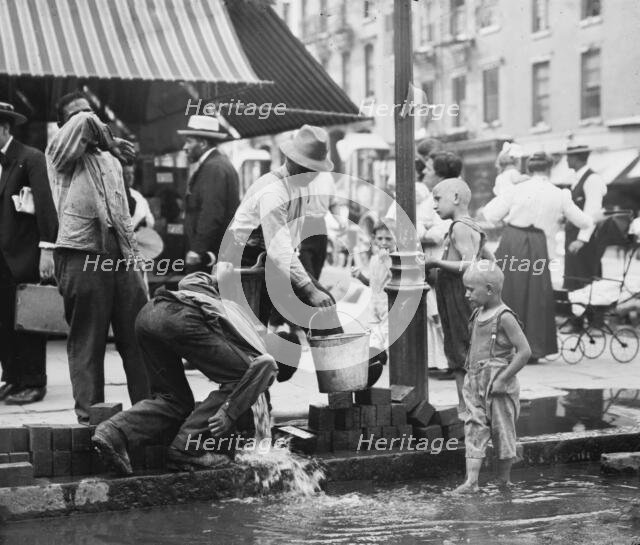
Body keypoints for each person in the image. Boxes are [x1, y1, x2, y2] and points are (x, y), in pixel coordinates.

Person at [92, 270, 279, 474]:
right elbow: (266, 366)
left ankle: (113, 431)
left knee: (173, 399)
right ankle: (187, 448)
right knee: (242, 377)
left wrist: (247, 271)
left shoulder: (217, 300)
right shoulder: (259, 346)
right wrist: (228, 411)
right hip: (182, 320)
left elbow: (190, 279)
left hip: (149, 314)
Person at [46, 91, 150, 423]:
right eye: (76, 114)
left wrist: (136, 264)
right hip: (80, 257)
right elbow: (84, 123)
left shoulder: (110, 161)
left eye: (91, 110)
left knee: (139, 338)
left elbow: (122, 218)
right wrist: (109, 137)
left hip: (119, 259)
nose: (87, 117)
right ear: (63, 125)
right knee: (88, 345)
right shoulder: (59, 154)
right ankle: (93, 426)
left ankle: (149, 416)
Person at [482, 152, 593, 362]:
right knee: (537, 295)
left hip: (513, 240)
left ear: (529, 168)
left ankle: (504, 346)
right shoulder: (560, 194)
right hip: (539, 245)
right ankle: (533, 348)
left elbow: (491, 214)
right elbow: (586, 221)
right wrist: (582, 236)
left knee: (508, 291)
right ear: (550, 168)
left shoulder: (517, 189)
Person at [453, 260, 531, 494]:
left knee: (503, 431)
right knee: (474, 427)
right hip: (476, 382)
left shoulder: (504, 317)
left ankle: (504, 480)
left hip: (498, 386)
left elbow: (525, 351)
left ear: (489, 289)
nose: (466, 295)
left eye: (470, 289)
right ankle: (472, 482)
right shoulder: (478, 312)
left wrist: (503, 378)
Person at [0, 102, 57, 404]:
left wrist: (48, 249)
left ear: (4, 128)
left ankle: (35, 381)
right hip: (2, 257)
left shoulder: (31, 158)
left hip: (24, 256)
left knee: (29, 319)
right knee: (4, 322)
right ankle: (12, 377)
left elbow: (46, 208)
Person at [425, 178, 488, 412]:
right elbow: (487, 260)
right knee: (466, 348)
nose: (434, 205)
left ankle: (467, 408)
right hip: (463, 294)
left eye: (438, 199)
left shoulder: (459, 227)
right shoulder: (473, 226)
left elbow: (468, 263)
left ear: (455, 198)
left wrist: (434, 262)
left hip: (457, 295)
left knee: (458, 350)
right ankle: (473, 404)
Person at [180, 115, 239, 273]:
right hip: (214, 255)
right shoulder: (217, 165)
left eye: (189, 141)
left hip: (208, 258)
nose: (185, 147)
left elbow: (211, 213)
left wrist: (198, 250)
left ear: (203, 143)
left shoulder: (213, 168)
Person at [351, 221, 393, 384]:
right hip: (375, 306)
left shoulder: (395, 259)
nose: (383, 243)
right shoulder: (375, 259)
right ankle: (375, 364)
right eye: (380, 238)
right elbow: (373, 283)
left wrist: (387, 261)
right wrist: (360, 276)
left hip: (390, 308)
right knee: (373, 342)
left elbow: (398, 278)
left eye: (388, 239)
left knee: (390, 341)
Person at [564, 145, 607, 292]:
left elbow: (592, 212)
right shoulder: (577, 179)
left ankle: (591, 314)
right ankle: (577, 314)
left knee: (586, 281)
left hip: (585, 240)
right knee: (574, 279)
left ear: (576, 159)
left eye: (568, 157)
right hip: (573, 236)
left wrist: (581, 240)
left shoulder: (592, 179)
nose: (566, 160)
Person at [299, 172, 344, 280]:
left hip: (320, 226)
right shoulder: (298, 173)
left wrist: (340, 220)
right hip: (301, 226)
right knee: (307, 274)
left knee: (317, 268)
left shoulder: (326, 176)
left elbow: (333, 203)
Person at [123, 164, 154, 230]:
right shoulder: (115, 195)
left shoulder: (138, 196)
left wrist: (143, 223)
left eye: (132, 173)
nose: (130, 176)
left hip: (141, 235)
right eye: (127, 173)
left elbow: (150, 220)